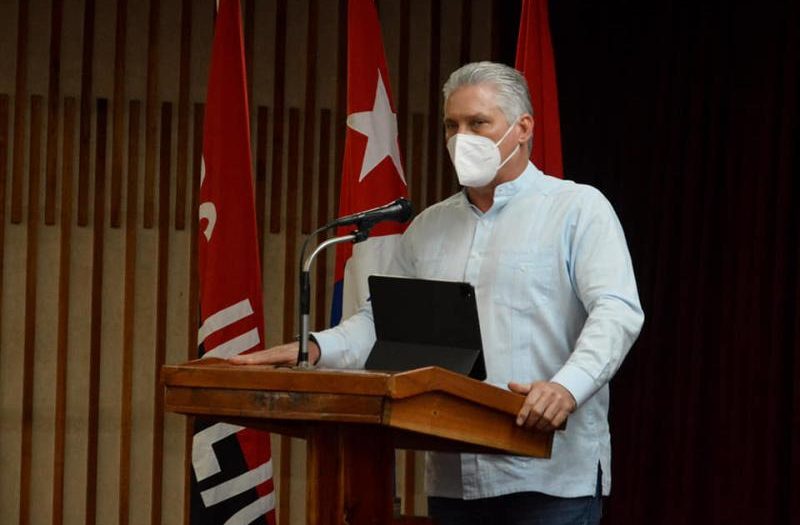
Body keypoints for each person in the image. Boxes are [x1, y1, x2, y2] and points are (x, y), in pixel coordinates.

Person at [231, 61, 644, 525]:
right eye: (452, 125)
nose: (460, 138)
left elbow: (617, 311)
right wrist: (314, 348)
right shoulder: (428, 227)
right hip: (454, 478)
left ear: (523, 128)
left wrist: (567, 387)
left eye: (478, 123)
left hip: (548, 477)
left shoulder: (577, 209)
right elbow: (384, 328)